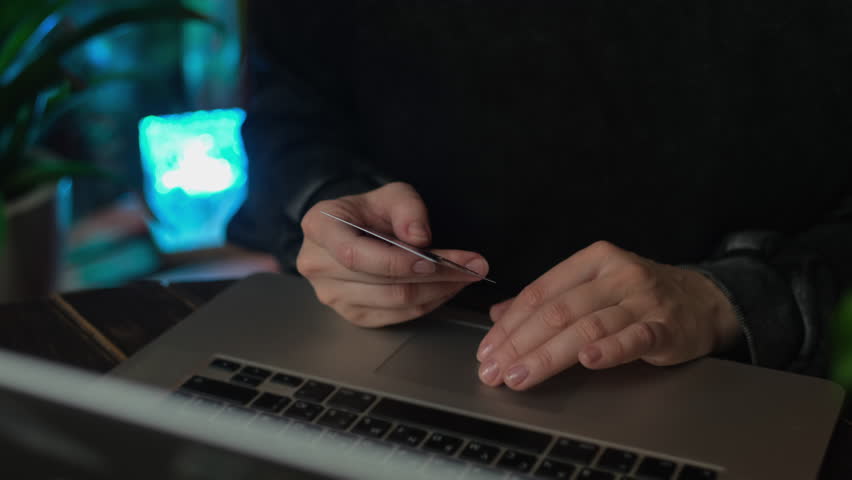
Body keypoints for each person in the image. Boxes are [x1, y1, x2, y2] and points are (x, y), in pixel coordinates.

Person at [228, 1, 852, 390]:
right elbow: (292, 113)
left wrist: (729, 297)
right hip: (376, 350)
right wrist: (336, 209)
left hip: (722, 377)